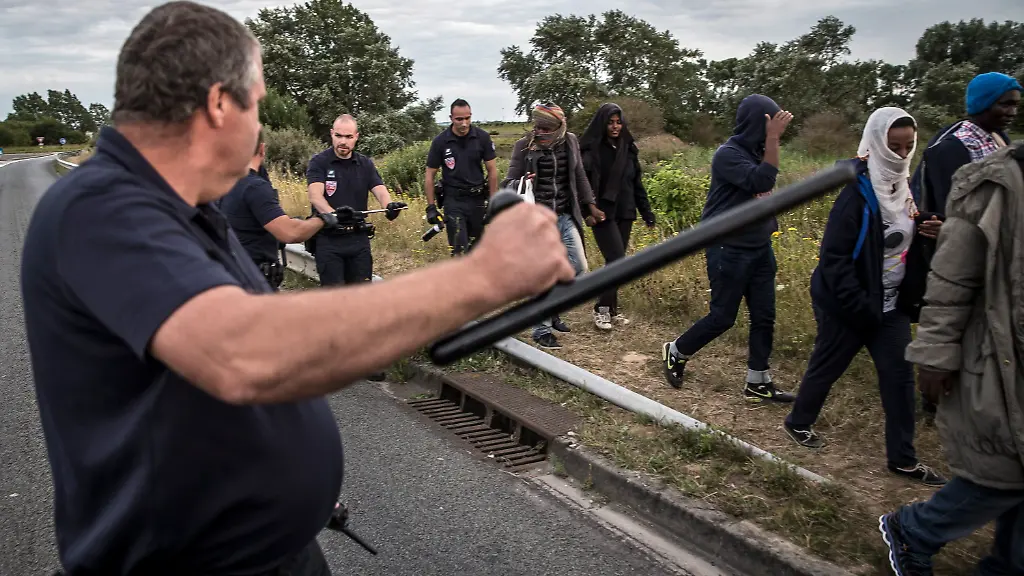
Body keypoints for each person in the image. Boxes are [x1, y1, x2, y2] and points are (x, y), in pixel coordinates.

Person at [17, 3, 575, 575]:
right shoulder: (103, 208)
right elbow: (241, 352)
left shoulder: (190, 211)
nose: (257, 127)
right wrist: (484, 275)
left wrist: (283, 474)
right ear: (218, 104)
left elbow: (215, 372)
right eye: (256, 105)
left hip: (268, 545)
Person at [878, 141, 1024, 576]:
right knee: (1001, 473)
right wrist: (936, 351)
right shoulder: (998, 184)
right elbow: (952, 276)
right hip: (999, 355)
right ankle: (916, 530)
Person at [781, 107, 947, 486]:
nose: (901, 154)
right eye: (893, 147)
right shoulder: (854, 194)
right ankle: (798, 422)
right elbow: (834, 261)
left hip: (891, 306)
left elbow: (900, 228)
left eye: (908, 146)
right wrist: (859, 307)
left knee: (900, 380)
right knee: (828, 365)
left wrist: (928, 225)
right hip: (849, 305)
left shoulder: (904, 186)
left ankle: (903, 459)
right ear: (875, 145)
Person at [662, 94, 795, 403]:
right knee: (723, 317)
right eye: (771, 124)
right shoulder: (728, 154)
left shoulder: (759, 152)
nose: (775, 131)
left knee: (764, 316)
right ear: (757, 123)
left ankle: (757, 381)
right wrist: (773, 141)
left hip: (759, 248)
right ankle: (677, 351)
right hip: (728, 248)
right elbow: (761, 182)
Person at [904, 72, 1021, 421]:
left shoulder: (999, 139)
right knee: (958, 322)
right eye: (1005, 104)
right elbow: (946, 204)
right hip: (960, 250)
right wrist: (948, 229)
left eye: (1015, 105)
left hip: (995, 246)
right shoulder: (952, 147)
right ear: (983, 103)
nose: (1012, 112)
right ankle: (937, 397)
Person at [503, 102, 605, 350]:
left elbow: (579, 175)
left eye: (546, 128)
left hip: (565, 215)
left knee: (578, 267)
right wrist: (521, 182)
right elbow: (507, 184)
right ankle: (541, 330)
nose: (540, 132)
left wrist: (590, 205)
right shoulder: (524, 146)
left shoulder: (570, 142)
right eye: (538, 127)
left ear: (559, 127)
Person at [218, 129, 328, 290]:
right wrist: (323, 219)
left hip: (228, 274)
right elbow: (291, 232)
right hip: (253, 279)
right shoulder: (255, 187)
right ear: (262, 149)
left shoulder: (220, 183)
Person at [579, 103, 656, 331]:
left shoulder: (628, 148)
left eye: (618, 122)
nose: (615, 126)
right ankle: (601, 309)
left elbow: (637, 183)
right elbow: (582, 185)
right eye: (610, 122)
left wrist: (647, 212)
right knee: (616, 260)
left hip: (626, 211)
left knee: (617, 263)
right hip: (602, 213)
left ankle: (611, 310)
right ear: (602, 124)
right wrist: (587, 212)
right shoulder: (591, 150)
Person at [306, 114, 406, 286]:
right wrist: (333, 215)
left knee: (362, 294)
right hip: (329, 239)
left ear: (356, 137)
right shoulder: (319, 162)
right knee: (334, 295)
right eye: (338, 136)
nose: (343, 141)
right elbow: (315, 196)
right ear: (331, 133)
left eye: (348, 137)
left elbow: (379, 189)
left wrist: (389, 205)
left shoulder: (365, 164)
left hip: (358, 239)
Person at [424, 98, 499, 256]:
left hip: (477, 200)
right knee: (459, 249)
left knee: (478, 250)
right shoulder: (440, 142)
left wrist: (493, 203)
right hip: (454, 200)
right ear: (451, 118)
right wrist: (431, 207)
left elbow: (492, 171)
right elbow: (430, 174)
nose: (464, 123)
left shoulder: (482, 137)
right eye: (459, 119)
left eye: (467, 118)